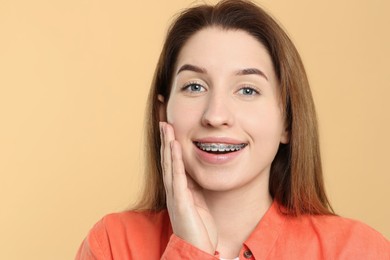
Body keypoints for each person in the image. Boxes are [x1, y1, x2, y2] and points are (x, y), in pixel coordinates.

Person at [76, 0, 390, 259]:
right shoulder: (113, 245)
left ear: (288, 122)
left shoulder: (358, 251)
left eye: (248, 90)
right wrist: (190, 250)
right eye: (195, 86)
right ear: (163, 113)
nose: (216, 116)